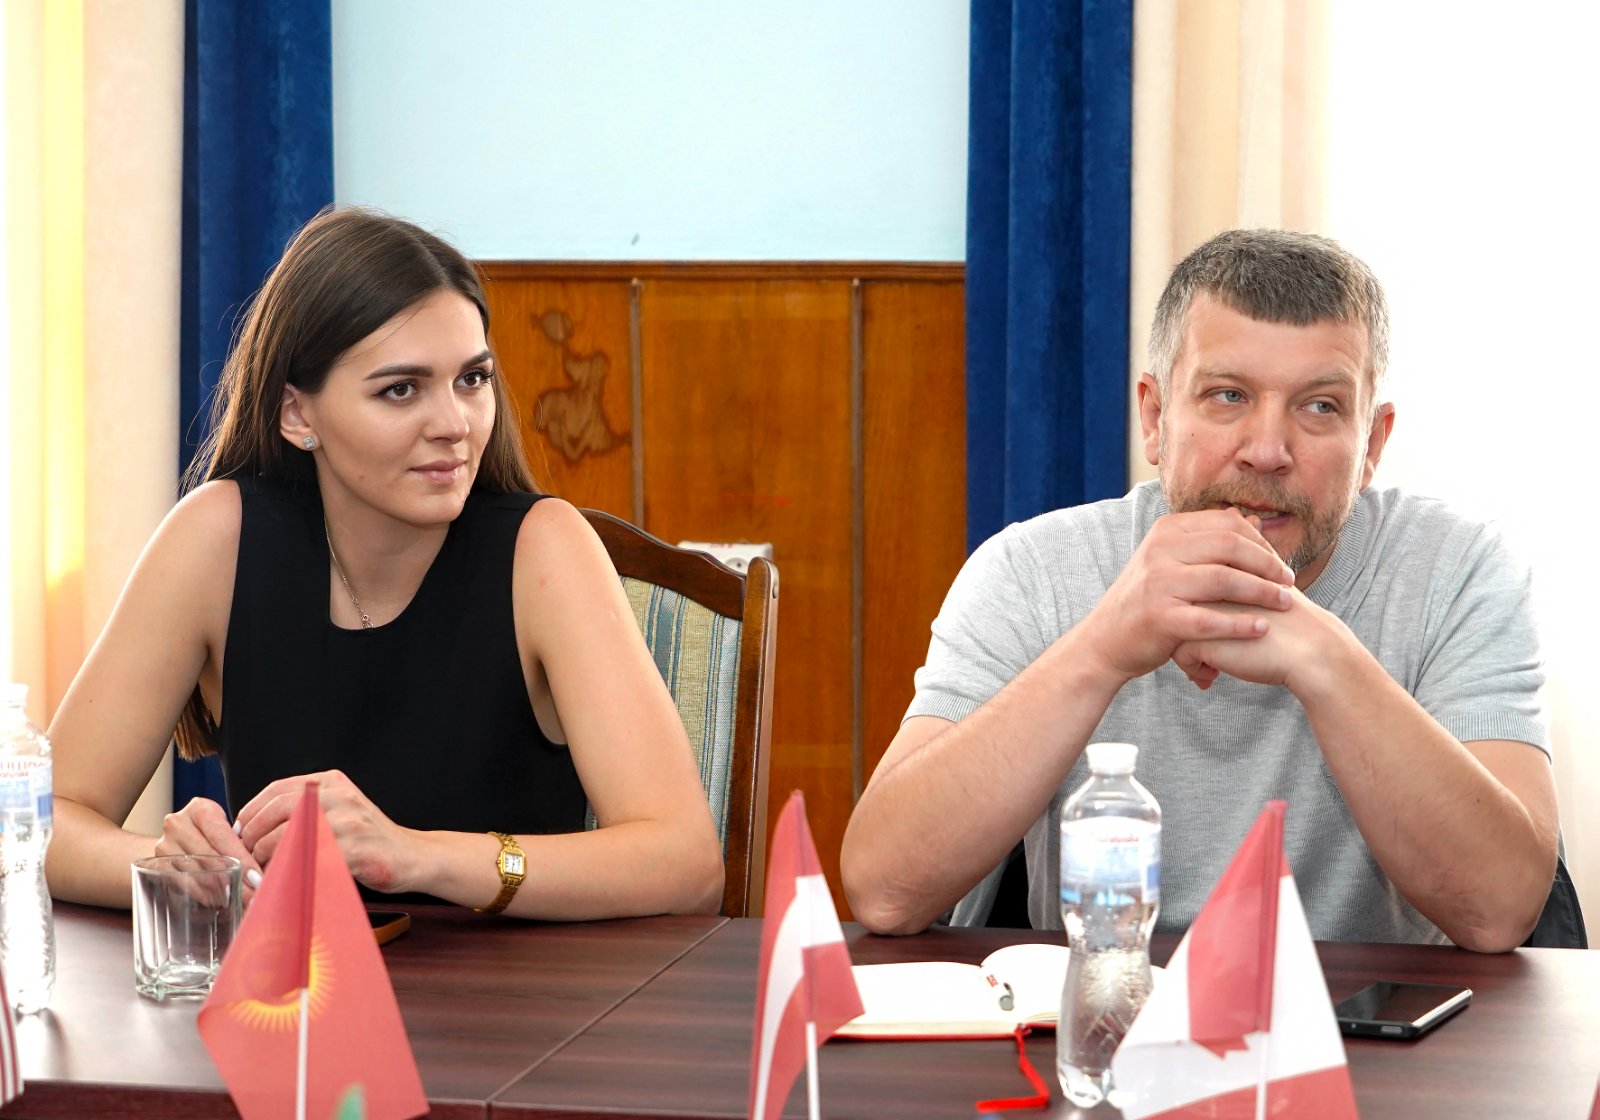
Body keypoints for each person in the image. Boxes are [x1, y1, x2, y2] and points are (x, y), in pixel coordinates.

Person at [841, 229, 1558, 952]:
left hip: (1380, 1018)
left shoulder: (1458, 571)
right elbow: (883, 888)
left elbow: (1500, 909)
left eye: (1319, 407)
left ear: (1371, 443)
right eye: (1227, 396)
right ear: (1156, 418)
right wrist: (1101, 649)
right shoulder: (1032, 569)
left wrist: (1324, 659)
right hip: (1109, 1005)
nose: (1268, 451)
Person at [44, 207, 724, 920]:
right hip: (291, 985)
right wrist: (164, 866)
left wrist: (415, 856)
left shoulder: (544, 548)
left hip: (513, 988)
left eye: (472, 379)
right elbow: (45, 817)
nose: (455, 424)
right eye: (401, 389)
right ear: (297, 415)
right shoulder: (218, 537)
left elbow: (684, 862)